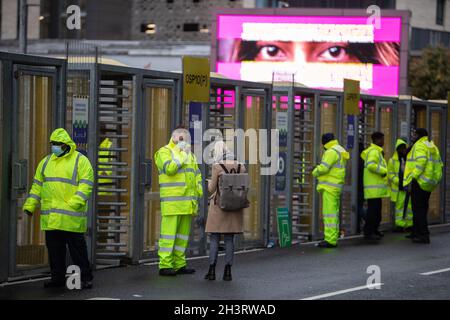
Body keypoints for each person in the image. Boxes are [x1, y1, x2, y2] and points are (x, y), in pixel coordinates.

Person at [23, 128, 94, 289]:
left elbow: (86, 184)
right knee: (55, 252)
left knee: (78, 252)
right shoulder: (46, 162)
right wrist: (30, 206)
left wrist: (75, 203)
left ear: (65, 144)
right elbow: (37, 187)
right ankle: (58, 278)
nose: (54, 146)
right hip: (52, 218)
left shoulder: (80, 161)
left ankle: (86, 277)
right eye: (52, 144)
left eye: (57, 144)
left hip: (71, 217)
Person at [154, 126, 203, 276]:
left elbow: (196, 174)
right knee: (168, 236)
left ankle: (179, 263)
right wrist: (181, 154)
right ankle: (165, 265)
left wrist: (199, 192)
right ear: (173, 137)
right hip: (172, 203)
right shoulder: (164, 152)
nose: (183, 138)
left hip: (188, 203)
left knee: (182, 237)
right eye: (180, 136)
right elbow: (170, 169)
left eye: (185, 136)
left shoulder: (191, 155)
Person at [204, 141, 246, 281]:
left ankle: (211, 271)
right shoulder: (241, 166)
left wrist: (209, 182)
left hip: (219, 207)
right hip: (235, 207)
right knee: (229, 239)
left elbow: (211, 189)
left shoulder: (217, 167)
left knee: (215, 237)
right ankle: (228, 272)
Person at [403, 128, 443, 244]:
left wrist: (413, 177)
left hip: (419, 181)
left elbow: (421, 162)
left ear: (419, 135)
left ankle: (423, 235)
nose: (413, 136)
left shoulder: (419, 146)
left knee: (418, 209)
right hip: (428, 182)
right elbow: (439, 163)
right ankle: (416, 232)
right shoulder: (431, 145)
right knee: (421, 208)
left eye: (414, 134)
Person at [312, 133, 349, 248]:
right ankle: (333, 237)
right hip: (335, 186)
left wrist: (314, 170)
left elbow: (324, 168)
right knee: (334, 213)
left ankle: (330, 240)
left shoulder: (330, 152)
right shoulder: (339, 150)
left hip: (329, 187)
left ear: (324, 143)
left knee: (329, 214)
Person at [361, 132, 389, 241]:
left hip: (376, 189)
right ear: (377, 140)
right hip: (374, 189)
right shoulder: (374, 152)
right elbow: (371, 165)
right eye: (382, 139)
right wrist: (383, 171)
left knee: (376, 212)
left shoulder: (376, 151)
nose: (383, 142)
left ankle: (374, 230)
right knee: (373, 213)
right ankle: (369, 233)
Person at [387, 138, 413, 232]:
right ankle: (400, 225)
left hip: (408, 187)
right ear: (397, 149)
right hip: (400, 188)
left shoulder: (409, 159)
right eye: (401, 149)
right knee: (399, 207)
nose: (403, 150)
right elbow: (390, 174)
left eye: (404, 148)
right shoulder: (392, 161)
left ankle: (410, 225)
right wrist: (399, 181)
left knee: (409, 207)